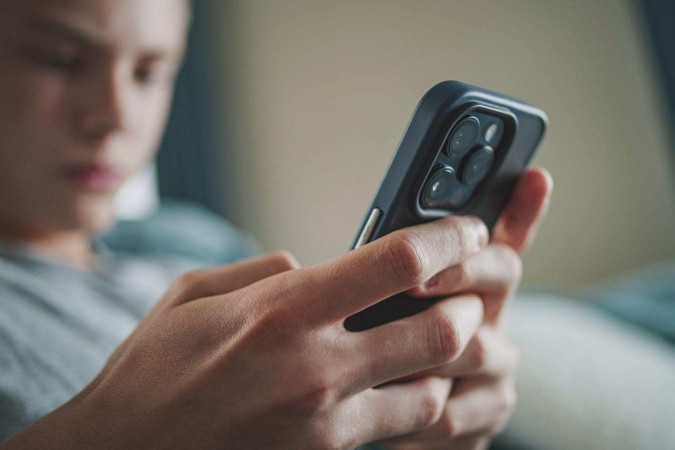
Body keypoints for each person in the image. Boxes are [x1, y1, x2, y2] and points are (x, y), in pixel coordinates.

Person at [0, 0, 552, 448]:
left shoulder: (196, 244)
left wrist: (421, 426)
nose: (116, 114)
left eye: (148, 72)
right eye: (59, 59)